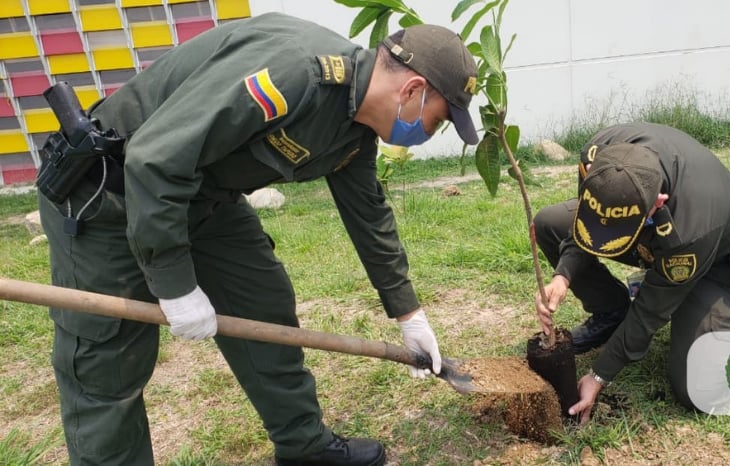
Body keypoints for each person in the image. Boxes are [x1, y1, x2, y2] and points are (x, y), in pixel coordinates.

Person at [37, 12, 479, 466]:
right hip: (108, 194)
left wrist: (408, 313)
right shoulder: (296, 75)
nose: (429, 133)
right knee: (107, 365)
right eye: (438, 120)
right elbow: (153, 160)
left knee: (262, 305)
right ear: (412, 91)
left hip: (202, 197)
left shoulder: (355, 127)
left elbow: (369, 215)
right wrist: (175, 286)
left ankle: (303, 447)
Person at [533, 122, 730, 421]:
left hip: (715, 260)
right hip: (651, 233)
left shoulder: (690, 228)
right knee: (550, 222)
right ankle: (611, 312)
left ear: (657, 201)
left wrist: (598, 376)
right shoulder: (597, 155)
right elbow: (588, 220)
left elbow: (650, 312)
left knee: (698, 390)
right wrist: (563, 275)